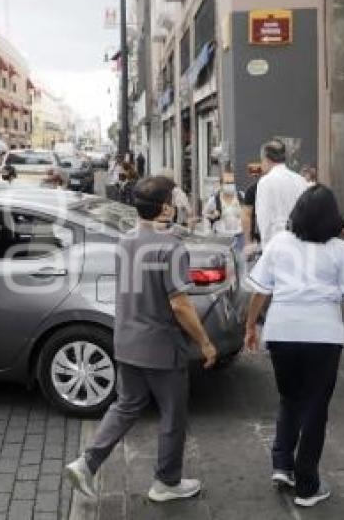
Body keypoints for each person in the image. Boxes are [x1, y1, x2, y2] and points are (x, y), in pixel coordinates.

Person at [66, 175, 217, 503]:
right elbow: (180, 304)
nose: (177, 204)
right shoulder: (172, 246)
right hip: (162, 347)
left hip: (127, 339)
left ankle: (87, 462)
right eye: (174, 199)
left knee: (126, 405)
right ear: (165, 207)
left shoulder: (125, 240)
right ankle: (166, 482)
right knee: (172, 414)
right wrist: (205, 341)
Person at [245, 184, 344, 508]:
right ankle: (307, 485)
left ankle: (282, 465)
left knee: (290, 399)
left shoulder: (278, 243)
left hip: (281, 332)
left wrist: (250, 326)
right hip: (323, 337)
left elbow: (260, 292)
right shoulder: (338, 249)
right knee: (315, 409)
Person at [255, 139, 309, 246]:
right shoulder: (301, 180)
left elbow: (264, 219)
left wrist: (266, 248)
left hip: (276, 245)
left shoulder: (265, 182)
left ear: (266, 159)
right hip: (301, 244)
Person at [203, 169, 244, 250]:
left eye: (232, 182)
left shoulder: (241, 196)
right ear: (221, 184)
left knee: (240, 260)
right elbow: (205, 213)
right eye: (227, 183)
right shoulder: (214, 199)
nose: (230, 185)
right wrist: (213, 215)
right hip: (221, 237)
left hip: (239, 237)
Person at [242, 162, 263, 251]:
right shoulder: (252, 190)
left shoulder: (251, 189)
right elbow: (247, 216)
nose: (256, 177)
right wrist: (248, 242)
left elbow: (246, 215)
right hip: (259, 235)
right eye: (254, 175)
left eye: (257, 175)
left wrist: (248, 242)